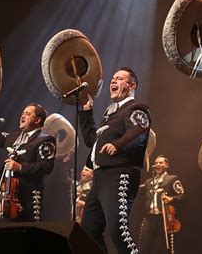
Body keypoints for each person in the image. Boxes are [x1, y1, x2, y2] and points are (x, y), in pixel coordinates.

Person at [78, 66, 152, 253]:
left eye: (119, 79)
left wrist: (117, 145)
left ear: (131, 85)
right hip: (100, 177)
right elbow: (91, 141)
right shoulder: (110, 115)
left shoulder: (135, 108)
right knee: (89, 230)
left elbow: (139, 131)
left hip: (120, 173)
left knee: (119, 232)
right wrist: (87, 111)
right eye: (112, 79)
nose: (113, 81)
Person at [0, 98, 56, 222]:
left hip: (29, 197)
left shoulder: (45, 140)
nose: (22, 116)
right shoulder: (14, 136)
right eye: (22, 113)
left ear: (37, 120)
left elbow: (46, 166)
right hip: (9, 197)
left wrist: (19, 167)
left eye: (27, 114)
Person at [139, 155, 185, 254]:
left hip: (163, 218)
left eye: (161, 163)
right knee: (143, 248)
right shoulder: (148, 181)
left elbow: (182, 195)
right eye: (156, 163)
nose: (158, 165)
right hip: (149, 218)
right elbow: (137, 190)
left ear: (166, 165)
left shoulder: (172, 179)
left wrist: (171, 198)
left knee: (164, 248)